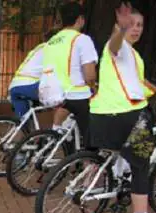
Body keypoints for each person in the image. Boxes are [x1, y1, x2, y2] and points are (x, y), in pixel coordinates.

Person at [89, 3, 156, 213]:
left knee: (123, 154)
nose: (136, 29)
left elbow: (138, 80)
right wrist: (120, 31)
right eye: (131, 24)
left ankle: (116, 180)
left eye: (140, 25)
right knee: (141, 165)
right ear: (120, 25)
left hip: (101, 115)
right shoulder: (119, 46)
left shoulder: (133, 56)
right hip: (129, 115)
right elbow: (114, 46)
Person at [43, 1, 98, 148]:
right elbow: (90, 76)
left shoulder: (52, 41)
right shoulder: (82, 39)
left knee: (68, 116)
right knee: (94, 134)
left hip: (54, 94)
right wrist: (94, 88)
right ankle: (90, 163)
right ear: (80, 19)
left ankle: (64, 146)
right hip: (76, 94)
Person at [8, 30, 57, 117]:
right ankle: (58, 128)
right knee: (62, 100)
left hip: (14, 87)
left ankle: (22, 128)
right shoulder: (52, 49)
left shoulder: (38, 48)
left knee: (24, 124)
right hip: (29, 85)